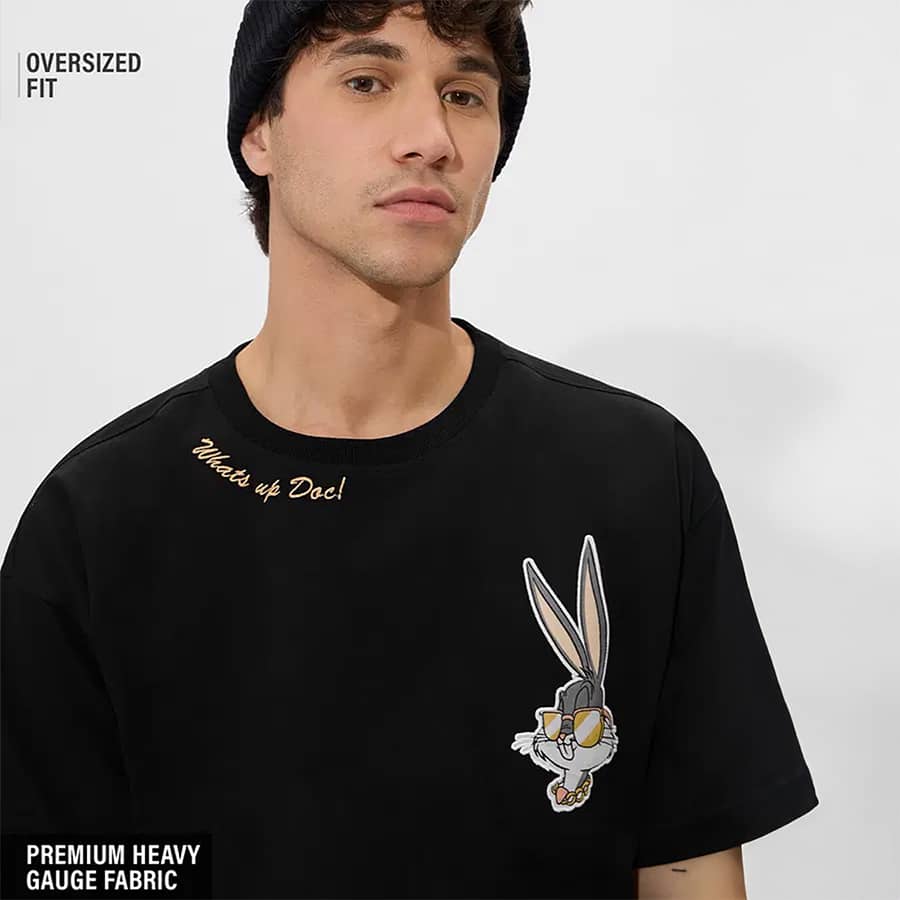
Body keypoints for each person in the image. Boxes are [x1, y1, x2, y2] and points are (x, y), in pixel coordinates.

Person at [0, 2, 819, 898]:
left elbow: (686, 870)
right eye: (367, 81)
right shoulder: (105, 517)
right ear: (259, 131)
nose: (432, 138)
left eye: (466, 95)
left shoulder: (636, 475)